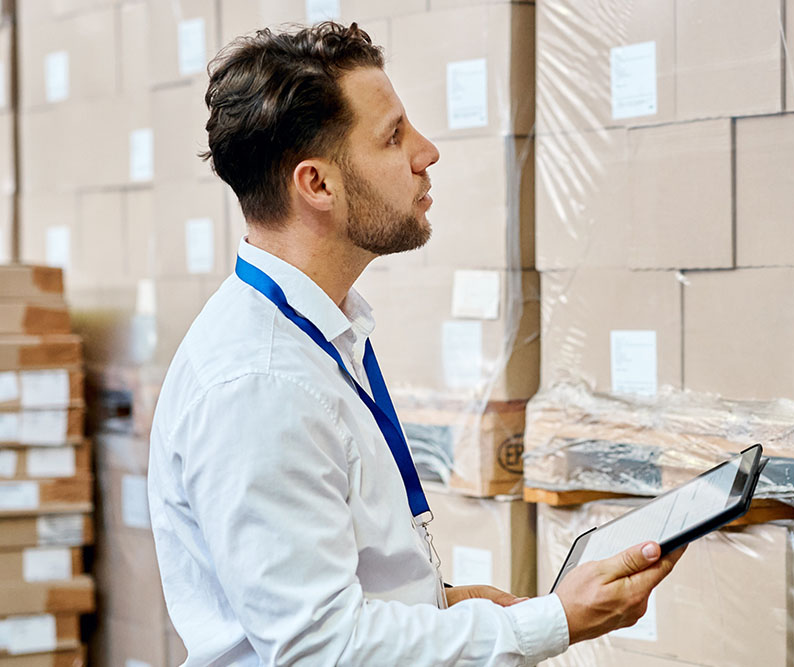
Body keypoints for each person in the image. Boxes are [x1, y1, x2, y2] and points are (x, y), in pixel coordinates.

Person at [147, 21, 683, 666]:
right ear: (317, 185)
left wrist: (442, 603)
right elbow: (322, 651)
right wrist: (555, 621)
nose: (426, 152)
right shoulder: (260, 385)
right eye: (393, 136)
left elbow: (326, 591)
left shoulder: (314, 337)